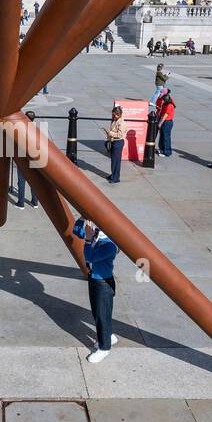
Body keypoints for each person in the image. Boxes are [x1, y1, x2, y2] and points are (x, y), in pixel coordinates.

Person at [71, 217, 121, 363]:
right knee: (97, 312)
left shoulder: (110, 245)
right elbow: (76, 231)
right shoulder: (97, 236)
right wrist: (83, 217)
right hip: (95, 279)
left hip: (103, 283)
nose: (93, 226)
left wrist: (88, 239)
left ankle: (104, 348)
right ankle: (108, 336)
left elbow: (90, 257)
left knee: (102, 314)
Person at [105, 105, 126, 183]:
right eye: (113, 114)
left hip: (118, 142)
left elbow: (119, 135)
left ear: (119, 114)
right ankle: (113, 174)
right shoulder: (115, 120)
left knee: (116, 161)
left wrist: (109, 133)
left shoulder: (122, 123)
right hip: (114, 141)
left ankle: (116, 178)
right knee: (114, 160)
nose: (113, 116)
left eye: (114, 115)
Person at [158, 93, 175, 157]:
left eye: (163, 100)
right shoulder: (165, 104)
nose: (163, 101)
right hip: (164, 121)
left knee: (166, 137)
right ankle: (162, 149)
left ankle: (167, 152)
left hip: (167, 122)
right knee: (162, 136)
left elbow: (165, 115)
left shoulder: (169, 105)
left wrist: (160, 123)